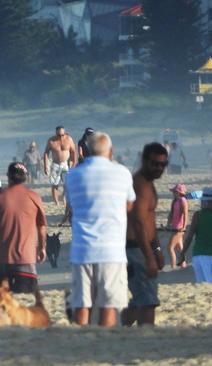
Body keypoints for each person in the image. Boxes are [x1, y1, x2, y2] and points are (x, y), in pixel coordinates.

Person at [65, 132, 135, 327]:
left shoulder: (73, 175)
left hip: (81, 249)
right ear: (110, 151)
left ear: (86, 151)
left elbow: (72, 204)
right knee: (109, 304)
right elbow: (129, 206)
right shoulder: (122, 173)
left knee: (81, 303)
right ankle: (106, 340)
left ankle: (82, 341)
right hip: (111, 250)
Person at [122, 143, 168, 327]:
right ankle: (145, 337)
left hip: (143, 248)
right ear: (144, 160)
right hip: (135, 248)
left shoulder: (149, 184)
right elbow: (138, 223)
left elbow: (150, 221)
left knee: (139, 299)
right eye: (155, 163)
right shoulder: (140, 185)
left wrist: (156, 248)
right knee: (147, 300)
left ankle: (114, 329)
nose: (159, 168)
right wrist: (149, 256)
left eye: (163, 164)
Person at [0, 163, 47, 293]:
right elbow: (41, 227)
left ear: (8, 177)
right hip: (27, 258)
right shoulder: (34, 197)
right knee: (25, 300)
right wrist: (42, 248)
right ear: (25, 177)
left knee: (8, 302)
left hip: (4, 259)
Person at [180, 187, 212, 283]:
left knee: (202, 284)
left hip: (198, 255)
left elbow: (189, 236)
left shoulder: (198, 215)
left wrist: (182, 253)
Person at [43, 126, 77, 205]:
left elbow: (73, 151)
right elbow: (46, 153)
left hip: (65, 164)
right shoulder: (51, 141)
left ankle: (64, 199)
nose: (61, 137)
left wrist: (74, 162)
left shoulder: (69, 139)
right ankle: (56, 201)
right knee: (55, 184)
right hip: (55, 164)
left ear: (64, 133)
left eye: (62, 135)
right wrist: (46, 165)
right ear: (56, 133)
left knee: (67, 183)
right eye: (59, 135)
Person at [165, 183, 188, 269]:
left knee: (170, 248)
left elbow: (185, 214)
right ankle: (183, 265)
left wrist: (184, 226)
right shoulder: (175, 201)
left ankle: (173, 266)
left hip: (179, 228)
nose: (173, 193)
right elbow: (171, 214)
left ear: (179, 192)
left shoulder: (183, 200)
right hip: (175, 227)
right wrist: (168, 225)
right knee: (179, 248)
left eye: (174, 192)